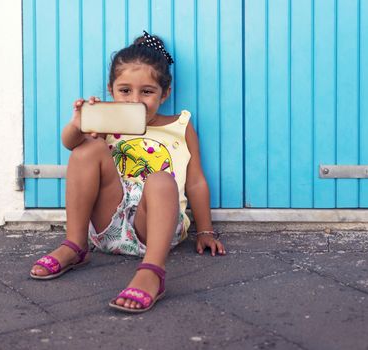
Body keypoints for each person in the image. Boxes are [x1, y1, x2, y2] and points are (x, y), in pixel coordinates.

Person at [29, 31, 226, 313]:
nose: (135, 99)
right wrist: (80, 124)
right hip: (109, 223)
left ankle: (152, 272)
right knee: (87, 149)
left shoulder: (180, 125)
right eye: (125, 91)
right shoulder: (107, 123)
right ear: (111, 90)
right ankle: (75, 245)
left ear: (164, 93)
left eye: (146, 92)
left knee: (160, 179)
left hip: (155, 228)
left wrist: (205, 230)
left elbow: (195, 181)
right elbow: (71, 144)